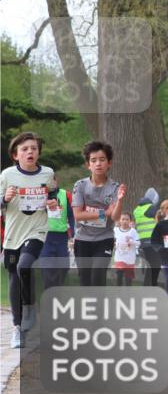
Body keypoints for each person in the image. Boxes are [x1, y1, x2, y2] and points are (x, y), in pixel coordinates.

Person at [1, 132, 58, 348]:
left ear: (38, 153)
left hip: (37, 230)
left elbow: (53, 194)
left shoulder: (47, 173)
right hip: (13, 234)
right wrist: (4, 199)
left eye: (33, 148)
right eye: (24, 149)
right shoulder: (7, 175)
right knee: (14, 276)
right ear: (16, 155)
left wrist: (52, 202)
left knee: (24, 266)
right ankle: (17, 328)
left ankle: (30, 306)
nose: (30, 152)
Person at [72, 141, 127, 287]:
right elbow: (78, 215)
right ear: (88, 165)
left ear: (109, 163)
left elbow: (115, 217)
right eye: (93, 160)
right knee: (85, 281)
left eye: (102, 160)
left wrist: (120, 201)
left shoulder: (114, 188)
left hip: (104, 239)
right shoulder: (80, 186)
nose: (98, 164)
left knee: (98, 274)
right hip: (82, 239)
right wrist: (104, 213)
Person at [40, 173, 74, 289]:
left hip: (61, 236)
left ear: (56, 181)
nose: (50, 184)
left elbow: (71, 215)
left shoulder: (65, 194)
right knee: (47, 267)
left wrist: (73, 233)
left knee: (64, 266)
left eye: (52, 181)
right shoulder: (40, 195)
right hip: (45, 236)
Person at [133, 187, 161, 287]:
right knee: (155, 265)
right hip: (151, 242)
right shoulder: (151, 208)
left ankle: (149, 286)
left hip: (143, 242)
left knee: (151, 266)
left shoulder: (137, 210)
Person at [113, 212, 140, 286]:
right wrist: (114, 243)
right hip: (119, 257)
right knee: (119, 274)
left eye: (127, 219)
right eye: (123, 219)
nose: (125, 221)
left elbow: (138, 243)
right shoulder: (115, 230)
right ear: (120, 220)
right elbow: (111, 240)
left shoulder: (133, 231)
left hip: (130, 258)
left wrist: (131, 242)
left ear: (130, 221)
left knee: (128, 279)